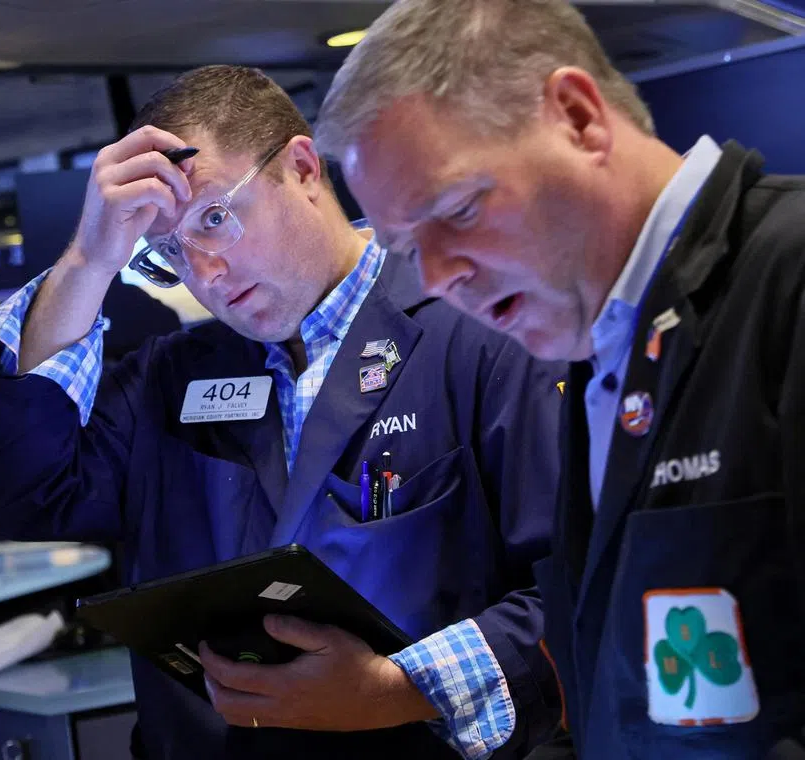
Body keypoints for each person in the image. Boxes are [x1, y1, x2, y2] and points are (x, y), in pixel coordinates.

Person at [0, 65, 565, 760]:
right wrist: (88, 263)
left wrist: (395, 690)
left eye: (215, 217)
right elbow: (8, 493)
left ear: (302, 169)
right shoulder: (169, 376)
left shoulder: (478, 334)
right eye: (170, 251)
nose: (205, 272)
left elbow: (572, 596)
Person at [315, 1, 805, 757]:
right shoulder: (598, 348)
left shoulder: (790, 277)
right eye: (409, 248)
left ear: (578, 117)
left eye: (458, 209)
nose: (440, 277)